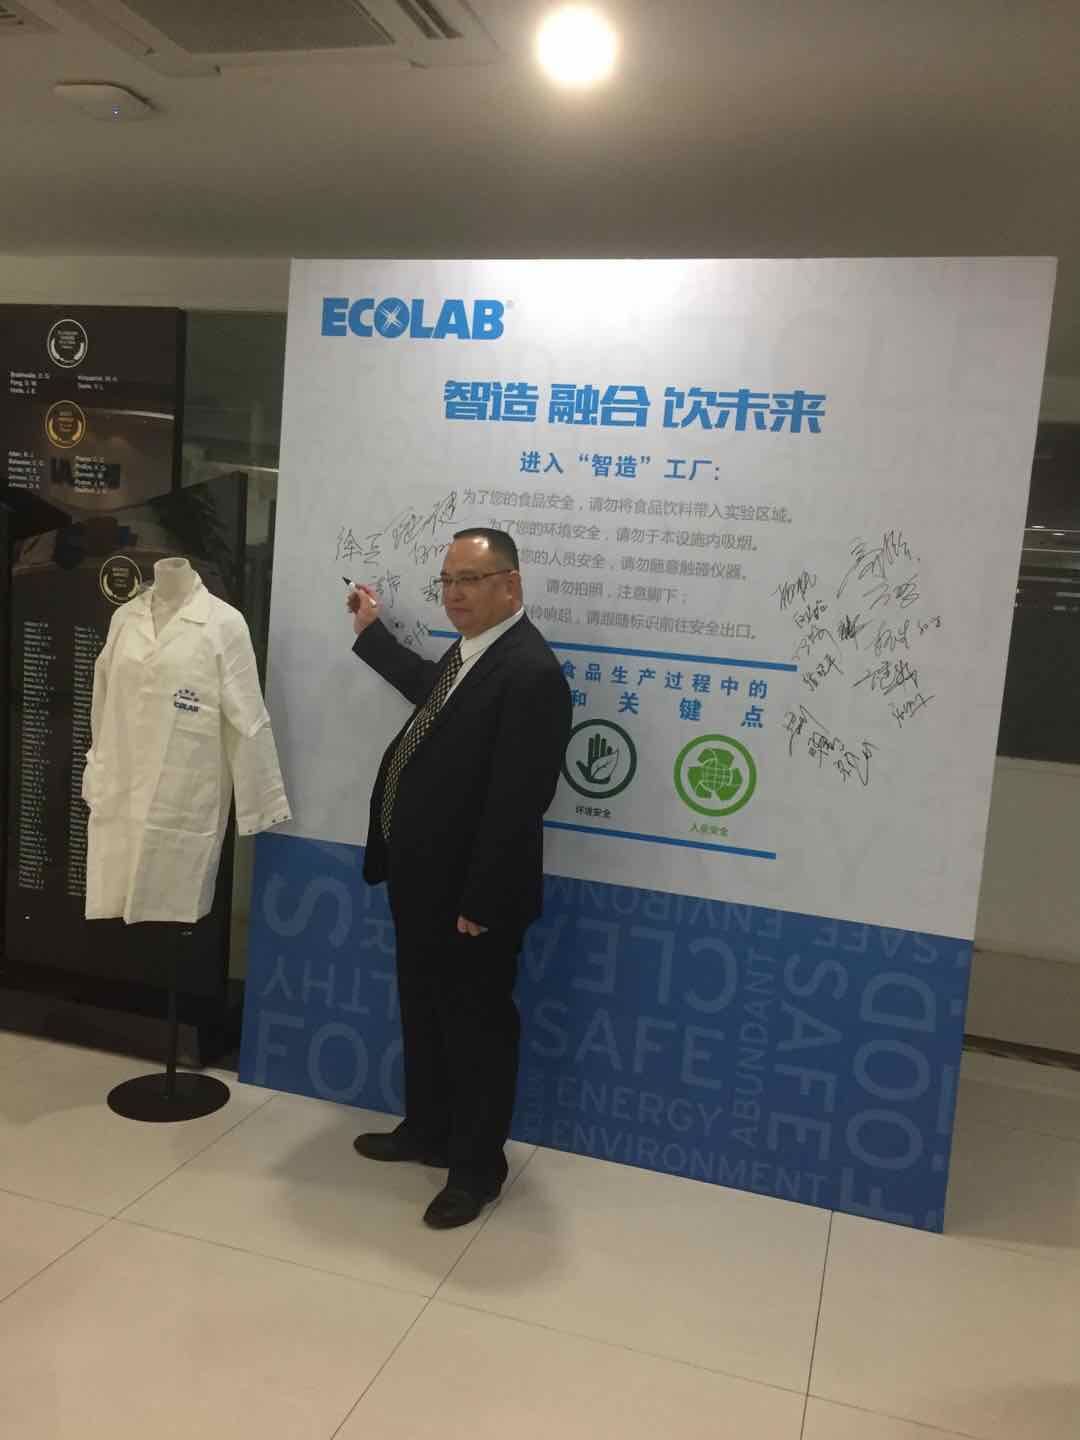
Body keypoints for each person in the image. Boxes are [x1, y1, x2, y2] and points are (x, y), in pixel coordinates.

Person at [347, 527, 572, 1229]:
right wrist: (372, 634)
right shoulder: (472, 652)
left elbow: (519, 800)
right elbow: (431, 695)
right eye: (446, 581)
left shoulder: (530, 671)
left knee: (477, 1030)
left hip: (474, 898)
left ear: (511, 583)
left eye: (469, 580)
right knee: (424, 1010)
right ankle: (428, 1130)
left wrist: (483, 897)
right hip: (423, 880)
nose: (454, 595)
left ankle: (476, 1170)